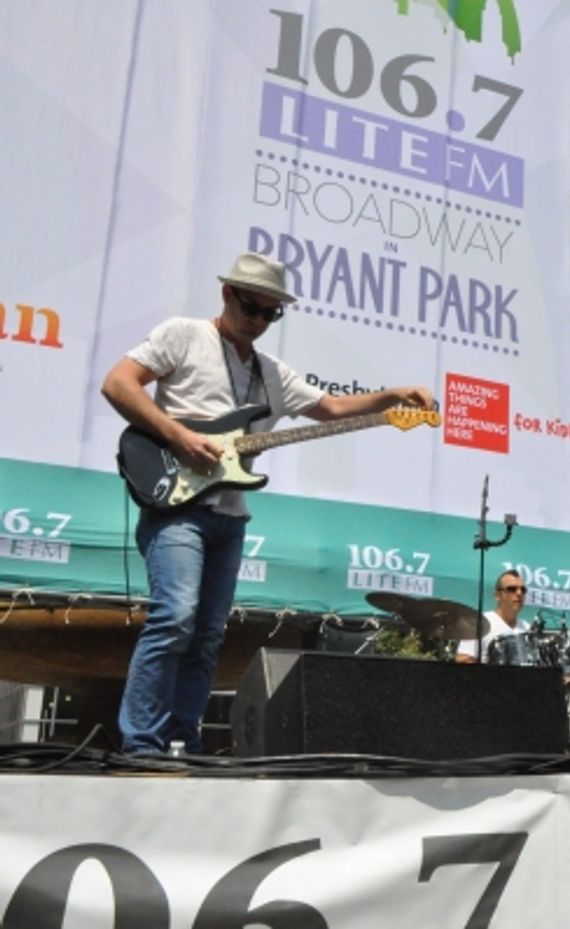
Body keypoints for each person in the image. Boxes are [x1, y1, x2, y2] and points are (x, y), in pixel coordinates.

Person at [101, 251, 435, 755]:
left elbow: (331, 408)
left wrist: (392, 397)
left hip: (229, 517)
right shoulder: (183, 335)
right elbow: (117, 383)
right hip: (176, 505)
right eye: (252, 308)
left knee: (209, 634)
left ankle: (180, 741)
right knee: (175, 617)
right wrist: (177, 437)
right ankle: (140, 743)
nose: (258, 322)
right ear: (227, 294)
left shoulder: (271, 372)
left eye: (270, 314)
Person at [455, 569, 530, 663]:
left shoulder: (527, 628)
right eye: (512, 589)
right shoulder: (479, 622)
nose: (519, 593)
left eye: (523, 590)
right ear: (497, 596)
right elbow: (463, 659)